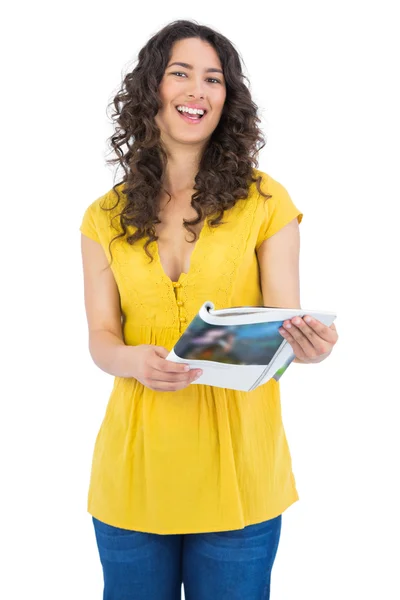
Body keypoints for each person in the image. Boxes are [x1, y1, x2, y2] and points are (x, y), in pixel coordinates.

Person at [79, 19, 338, 600]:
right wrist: (131, 362)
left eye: (213, 79)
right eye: (181, 73)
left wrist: (308, 347)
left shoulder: (266, 203)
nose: (198, 89)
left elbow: (282, 325)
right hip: (133, 474)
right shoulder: (103, 216)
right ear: (153, 89)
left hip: (239, 475)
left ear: (228, 99)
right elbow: (100, 336)